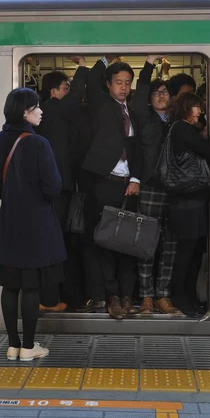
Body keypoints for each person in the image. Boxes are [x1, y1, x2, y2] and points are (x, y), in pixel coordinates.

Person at [0, 88, 67, 361]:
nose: (41, 111)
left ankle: (12, 345)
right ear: (24, 112)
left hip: (9, 223)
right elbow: (54, 186)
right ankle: (29, 347)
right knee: (31, 286)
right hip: (36, 223)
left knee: (10, 286)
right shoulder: (38, 143)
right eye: (36, 107)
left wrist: (10, 196)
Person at [79, 57, 141, 320]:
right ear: (108, 84)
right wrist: (103, 59)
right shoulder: (101, 105)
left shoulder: (134, 110)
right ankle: (111, 296)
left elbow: (139, 148)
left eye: (127, 83)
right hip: (103, 183)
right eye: (118, 83)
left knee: (128, 243)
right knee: (104, 242)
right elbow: (92, 83)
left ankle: (128, 295)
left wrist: (136, 178)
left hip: (129, 186)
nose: (123, 88)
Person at [37, 56, 89, 311]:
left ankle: (56, 296)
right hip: (56, 189)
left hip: (58, 187)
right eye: (65, 88)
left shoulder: (51, 114)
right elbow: (77, 94)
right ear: (54, 91)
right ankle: (49, 298)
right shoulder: (51, 108)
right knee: (55, 241)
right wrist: (81, 67)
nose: (70, 92)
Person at [132, 55, 179, 316]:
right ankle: (146, 296)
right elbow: (139, 91)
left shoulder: (178, 121)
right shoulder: (144, 116)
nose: (161, 96)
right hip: (150, 185)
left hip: (175, 189)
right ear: (149, 99)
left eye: (165, 92)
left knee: (170, 245)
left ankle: (164, 295)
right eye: (156, 93)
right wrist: (149, 64)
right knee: (146, 243)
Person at [167, 92, 210, 317]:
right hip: (186, 201)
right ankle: (180, 294)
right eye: (196, 107)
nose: (200, 111)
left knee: (193, 251)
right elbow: (208, 151)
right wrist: (204, 134)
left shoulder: (182, 129)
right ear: (186, 108)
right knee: (186, 251)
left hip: (190, 200)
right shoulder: (182, 129)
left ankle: (189, 295)